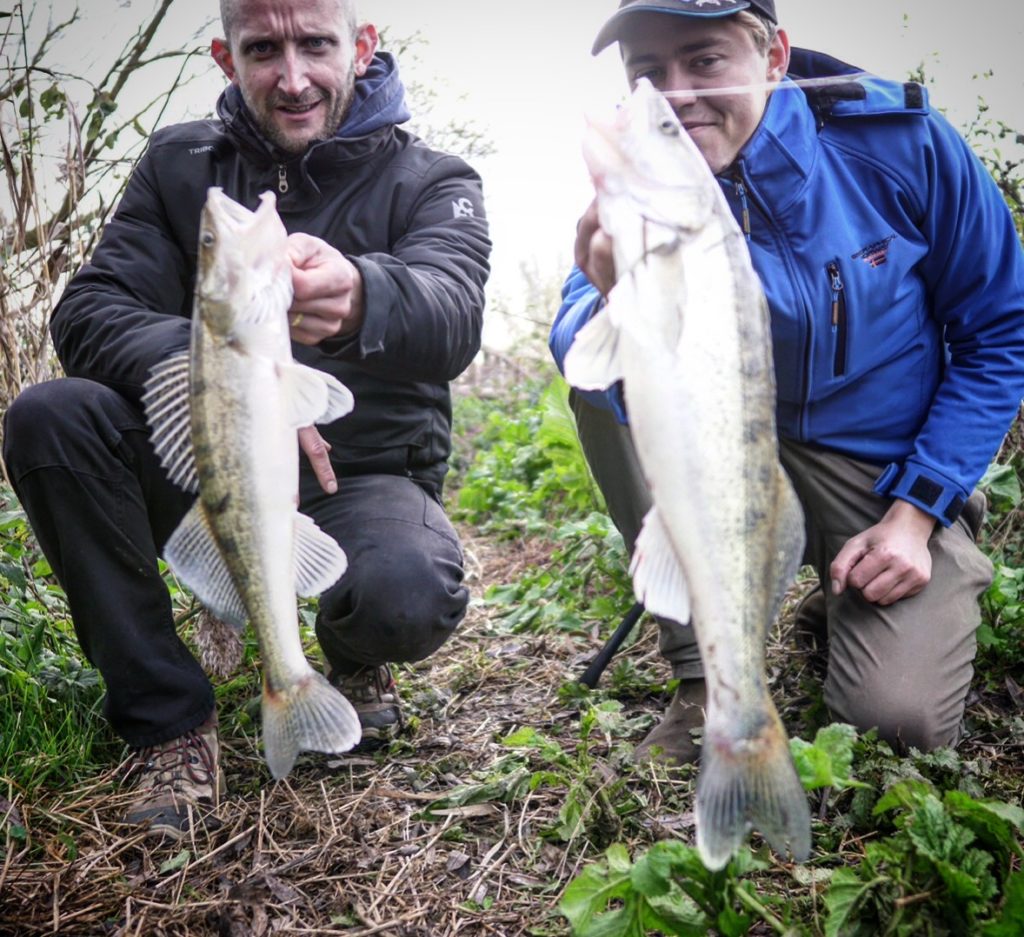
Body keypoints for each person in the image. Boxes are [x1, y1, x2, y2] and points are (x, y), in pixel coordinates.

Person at [2, 0, 490, 838]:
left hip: (360, 476)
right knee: (51, 415)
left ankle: (350, 649)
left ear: (362, 47)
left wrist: (364, 296)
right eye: (263, 49)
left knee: (405, 594)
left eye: (315, 46)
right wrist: (230, 378)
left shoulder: (435, 180)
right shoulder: (178, 162)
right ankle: (170, 724)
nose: (292, 77)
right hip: (212, 474)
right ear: (227, 58)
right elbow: (88, 310)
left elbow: (452, 314)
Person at [550, 0, 1024, 765]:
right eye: (648, 73)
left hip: (882, 469)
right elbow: (577, 344)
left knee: (897, 725)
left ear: (773, 58)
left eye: (705, 61)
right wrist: (613, 296)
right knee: (610, 395)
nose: (675, 95)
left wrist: (917, 512)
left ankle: (844, 603)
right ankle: (708, 681)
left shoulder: (901, 144)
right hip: (726, 459)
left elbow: (1002, 327)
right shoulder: (636, 183)